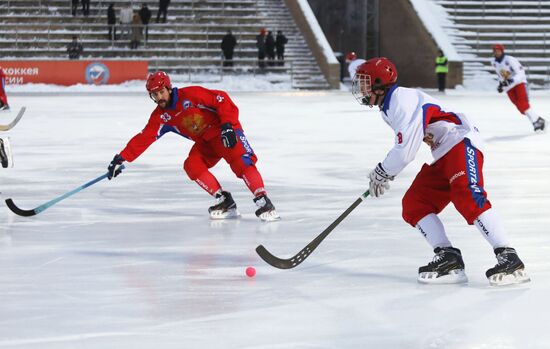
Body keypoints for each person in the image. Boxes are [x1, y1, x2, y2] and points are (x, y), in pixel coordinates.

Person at [352, 57, 530, 286]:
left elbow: (406, 150)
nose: (361, 88)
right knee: (415, 203)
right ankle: (449, 258)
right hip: (444, 152)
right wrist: (385, 171)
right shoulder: (388, 109)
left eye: (365, 82)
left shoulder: (401, 100)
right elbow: (406, 145)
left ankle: (508, 256)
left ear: (379, 82)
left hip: (461, 141)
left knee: (466, 194)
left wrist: (383, 171)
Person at [106, 71, 280, 221]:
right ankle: (224, 201)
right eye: (154, 95)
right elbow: (145, 137)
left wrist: (228, 125)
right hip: (205, 142)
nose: (158, 97)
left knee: (242, 163)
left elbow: (222, 99)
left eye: (160, 92)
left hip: (224, 131)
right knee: (192, 165)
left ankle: (263, 200)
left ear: (168, 88)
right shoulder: (160, 117)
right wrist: (122, 158)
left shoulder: (191, 95)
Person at [491, 44, 546, 132]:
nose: (496, 52)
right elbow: (501, 76)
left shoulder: (510, 59)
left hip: (519, 83)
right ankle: (538, 119)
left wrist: (512, 80)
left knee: (523, 103)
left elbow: (520, 73)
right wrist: (501, 85)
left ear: (502, 51)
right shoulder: (494, 63)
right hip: (509, 88)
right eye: (495, 51)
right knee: (520, 108)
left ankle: (535, 122)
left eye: (498, 50)